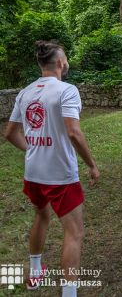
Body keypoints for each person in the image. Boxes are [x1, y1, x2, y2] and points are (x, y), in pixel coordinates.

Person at [5, 40, 100, 296]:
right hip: (60, 175)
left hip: (33, 173)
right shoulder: (66, 90)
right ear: (60, 63)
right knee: (75, 232)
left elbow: (10, 133)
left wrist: (33, 149)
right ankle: (69, 293)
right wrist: (91, 165)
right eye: (66, 58)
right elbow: (74, 133)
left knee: (41, 215)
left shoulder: (25, 92)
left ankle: (35, 272)